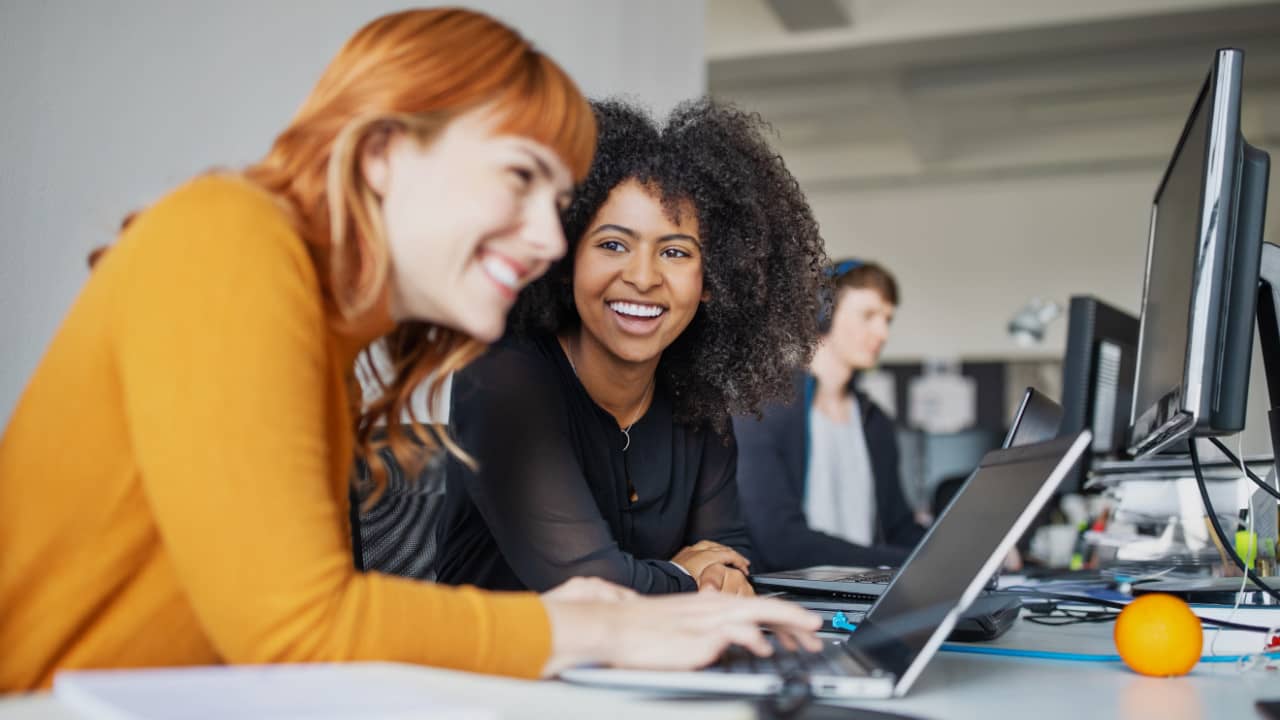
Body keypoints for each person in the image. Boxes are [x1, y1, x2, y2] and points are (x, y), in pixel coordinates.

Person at [0, 9, 820, 692]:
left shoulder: (319, 333)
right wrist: (602, 623)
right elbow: (298, 624)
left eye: (557, 201)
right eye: (518, 176)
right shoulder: (228, 239)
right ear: (386, 151)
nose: (545, 239)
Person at [434, 99, 829, 596]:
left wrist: (702, 580)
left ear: (712, 280)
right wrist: (687, 575)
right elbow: (590, 587)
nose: (642, 277)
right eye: (613, 245)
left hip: (642, 667)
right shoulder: (500, 380)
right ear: (565, 258)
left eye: (674, 252)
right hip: (496, 670)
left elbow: (729, 569)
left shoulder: (698, 404)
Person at [734, 260, 927, 573]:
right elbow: (781, 543)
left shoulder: (874, 420)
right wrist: (909, 563)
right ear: (823, 314)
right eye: (868, 316)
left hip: (868, 597)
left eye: (887, 319)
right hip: (793, 602)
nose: (882, 332)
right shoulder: (763, 411)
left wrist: (965, 556)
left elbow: (899, 528)